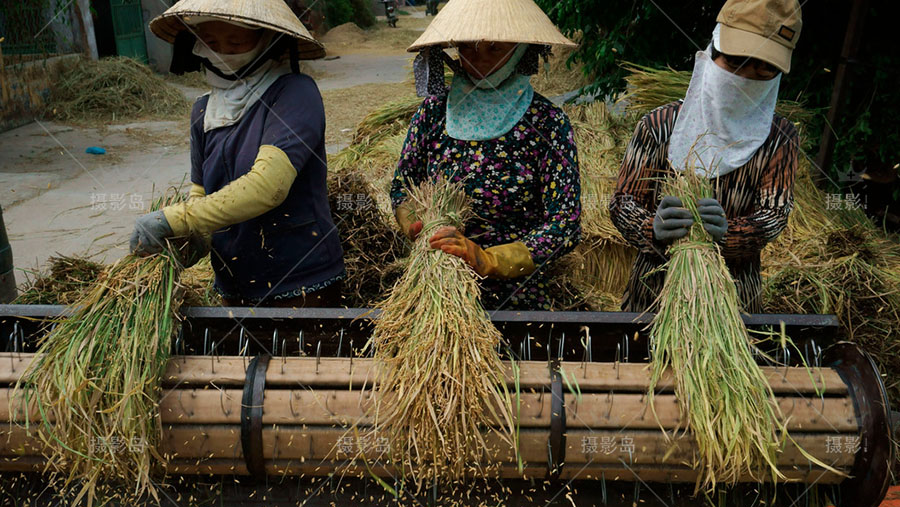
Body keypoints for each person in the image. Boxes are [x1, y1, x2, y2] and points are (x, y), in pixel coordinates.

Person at [131, 0, 344, 308]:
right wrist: (185, 243)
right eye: (211, 42)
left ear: (267, 40)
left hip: (301, 282)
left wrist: (175, 219)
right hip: (234, 285)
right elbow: (201, 196)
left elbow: (268, 187)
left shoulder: (295, 93)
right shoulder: (203, 110)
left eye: (235, 42)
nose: (221, 53)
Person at [610, 0, 802, 313]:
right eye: (737, 60)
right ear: (713, 50)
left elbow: (774, 214)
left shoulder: (779, 138)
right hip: (654, 299)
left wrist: (732, 233)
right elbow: (622, 202)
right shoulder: (659, 126)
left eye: (763, 67)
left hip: (733, 304)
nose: (746, 77)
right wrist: (651, 228)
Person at [391, 0, 582, 311]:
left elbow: (565, 222)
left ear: (521, 48)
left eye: (494, 48)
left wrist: (489, 259)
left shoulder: (547, 123)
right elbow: (403, 185)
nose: (477, 59)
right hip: (438, 290)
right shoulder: (434, 112)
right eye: (467, 47)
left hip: (517, 296)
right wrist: (416, 223)